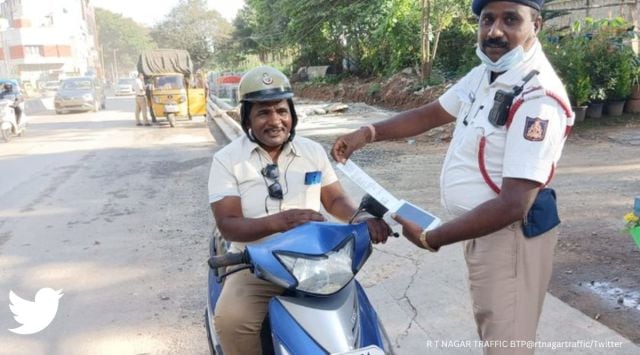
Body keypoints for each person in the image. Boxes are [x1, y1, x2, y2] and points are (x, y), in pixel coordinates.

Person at [331, 1, 574, 354]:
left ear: (536, 24)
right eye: (487, 19)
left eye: (510, 20)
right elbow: (432, 113)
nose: (494, 31)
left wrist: (433, 237)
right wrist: (368, 132)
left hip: (511, 238)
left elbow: (514, 203)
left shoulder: (538, 98)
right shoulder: (486, 74)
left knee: (508, 344)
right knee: (496, 331)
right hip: (483, 230)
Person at [208, 66, 391, 355]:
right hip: (255, 263)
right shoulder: (227, 160)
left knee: (358, 320)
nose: (275, 121)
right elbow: (229, 223)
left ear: (292, 113)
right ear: (247, 119)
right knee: (232, 320)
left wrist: (361, 217)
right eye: (263, 113)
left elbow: (334, 201)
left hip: (314, 261)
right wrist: (280, 221)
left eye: (281, 111)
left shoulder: (312, 151)